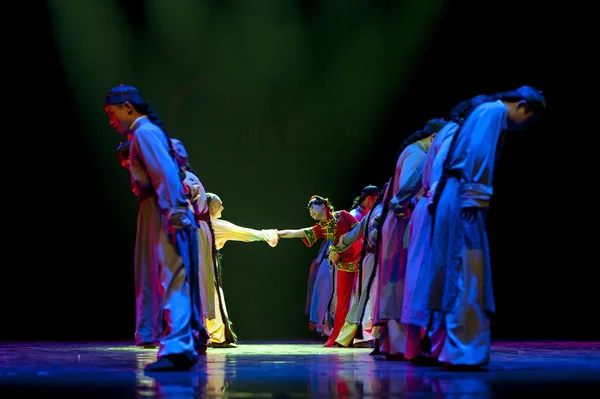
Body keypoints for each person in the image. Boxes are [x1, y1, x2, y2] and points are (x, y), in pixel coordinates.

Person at [425, 86, 546, 370]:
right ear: (521, 105)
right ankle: (462, 350)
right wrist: (474, 201)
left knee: (460, 270)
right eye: (527, 117)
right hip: (464, 198)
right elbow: (477, 155)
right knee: (467, 270)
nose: (523, 125)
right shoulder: (493, 112)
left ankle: (448, 346)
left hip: (456, 194)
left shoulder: (485, 113)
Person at [104, 84, 207, 372]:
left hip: (161, 209)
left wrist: (175, 214)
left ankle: (177, 349)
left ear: (127, 107)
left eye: (112, 114)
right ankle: (181, 343)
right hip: (159, 208)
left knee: (172, 274)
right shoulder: (145, 133)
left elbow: (164, 174)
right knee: (172, 275)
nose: (112, 121)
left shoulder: (144, 133)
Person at [372, 118, 447, 360]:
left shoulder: (411, 150)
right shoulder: (417, 153)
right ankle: (401, 343)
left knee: (395, 282)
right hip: (402, 223)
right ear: (434, 138)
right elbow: (407, 190)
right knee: (399, 282)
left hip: (398, 223)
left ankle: (393, 343)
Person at [278, 196, 362, 347]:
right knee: (341, 302)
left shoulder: (343, 215)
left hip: (361, 256)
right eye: (309, 209)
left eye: (312, 207)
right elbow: (298, 232)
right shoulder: (321, 228)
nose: (311, 211)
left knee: (366, 296)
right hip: (344, 263)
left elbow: (359, 229)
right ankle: (337, 336)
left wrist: (341, 243)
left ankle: (368, 337)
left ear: (323, 206)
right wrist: (277, 234)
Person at [200, 192, 278, 347]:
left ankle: (206, 335)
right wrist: (267, 235)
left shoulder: (198, 223)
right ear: (212, 209)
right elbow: (244, 233)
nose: (223, 207)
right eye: (219, 204)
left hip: (194, 265)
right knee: (213, 298)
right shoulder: (215, 225)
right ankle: (217, 337)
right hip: (205, 267)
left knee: (205, 298)